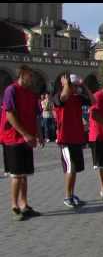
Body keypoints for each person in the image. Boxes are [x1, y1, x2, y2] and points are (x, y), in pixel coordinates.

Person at [0, 65, 44, 221]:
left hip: (28, 138)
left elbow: (36, 116)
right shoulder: (11, 90)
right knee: (17, 175)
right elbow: (10, 115)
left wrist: (39, 134)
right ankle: (14, 206)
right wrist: (25, 134)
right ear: (22, 75)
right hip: (13, 138)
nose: (32, 79)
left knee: (24, 174)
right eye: (30, 75)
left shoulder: (31, 94)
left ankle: (24, 204)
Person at [53, 73, 95, 208]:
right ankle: (67, 196)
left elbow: (93, 101)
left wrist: (84, 85)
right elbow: (63, 98)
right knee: (70, 167)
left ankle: (71, 194)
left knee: (74, 169)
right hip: (65, 139)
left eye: (77, 86)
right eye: (74, 86)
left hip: (76, 138)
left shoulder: (77, 98)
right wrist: (66, 85)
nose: (77, 88)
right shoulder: (59, 96)